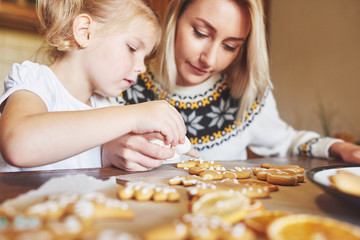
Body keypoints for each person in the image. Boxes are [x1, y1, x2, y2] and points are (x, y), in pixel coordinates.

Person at [104, 0, 360, 170]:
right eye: (201, 33)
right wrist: (106, 152)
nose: (210, 60)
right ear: (175, 17)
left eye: (230, 46)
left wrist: (339, 147)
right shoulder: (119, 80)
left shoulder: (247, 94)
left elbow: (287, 141)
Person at [0, 0, 187, 172]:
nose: (142, 68)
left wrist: (108, 154)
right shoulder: (35, 80)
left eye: (144, 58)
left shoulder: (108, 107)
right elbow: (19, 146)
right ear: (85, 32)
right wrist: (135, 115)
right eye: (132, 48)